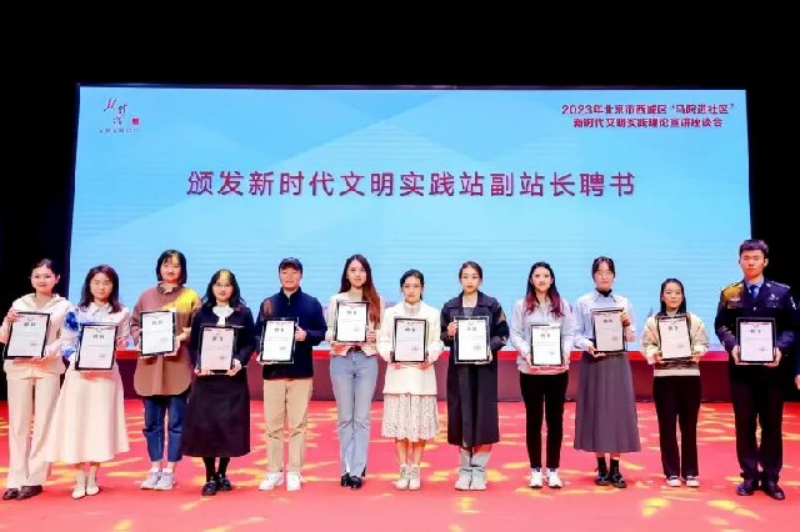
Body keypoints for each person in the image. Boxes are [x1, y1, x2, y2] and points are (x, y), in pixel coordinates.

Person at [714, 239, 795, 501]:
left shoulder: (781, 292)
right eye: (746, 258)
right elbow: (721, 326)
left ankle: (771, 477)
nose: (750, 262)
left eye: (756, 258)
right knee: (745, 424)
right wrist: (732, 345)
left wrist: (780, 348)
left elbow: (792, 327)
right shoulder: (730, 293)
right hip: (742, 373)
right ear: (739, 261)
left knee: (772, 425)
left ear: (765, 261)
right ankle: (749, 475)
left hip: (772, 371)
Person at [45, 264, 131, 499]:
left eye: (107, 283)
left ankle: (93, 475)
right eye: (97, 282)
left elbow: (123, 341)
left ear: (113, 286)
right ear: (89, 285)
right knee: (77, 423)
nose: (102, 287)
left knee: (99, 425)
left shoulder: (121, 313)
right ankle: (78, 478)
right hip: (79, 376)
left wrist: (119, 344)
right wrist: (81, 362)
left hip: (106, 376)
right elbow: (66, 343)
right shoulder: (75, 312)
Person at [0, 259, 73, 501]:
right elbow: (3, 337)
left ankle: (35, 479)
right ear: (31, 279)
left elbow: (67, 339)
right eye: (37, 276)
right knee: (18, 424)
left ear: (57, 279)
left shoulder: (65, 307)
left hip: (47, 367)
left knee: (44, 423)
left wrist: (46, 352)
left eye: (47, 276)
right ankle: (15, 479)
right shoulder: (19, 304)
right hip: (19, 366)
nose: (42, 280)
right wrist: (8, 322)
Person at [130, 249, 202, 491]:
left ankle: (170, 470)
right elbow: (134, 324)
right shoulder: (146, 296)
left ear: (183, 269)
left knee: (176, 423)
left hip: (177, 366)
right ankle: (154, 469)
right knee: (152, 423)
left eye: (176, 265)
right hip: (150, 367)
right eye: (166, 265)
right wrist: (140, 340)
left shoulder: (191, 296)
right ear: (159, 268)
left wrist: (180, 338)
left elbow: (198, 327)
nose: (170, 270)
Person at [181, 269, 255, 496]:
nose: (222, 289)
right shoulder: (201, 313)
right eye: (218, 284)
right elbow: (194, 345)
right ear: (212, 287)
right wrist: (198, 363)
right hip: (207, 381)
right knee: (207, 427)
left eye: (227, 285)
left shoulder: (243, 313)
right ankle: (210, 476)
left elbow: (249, 343)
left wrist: (239, 361)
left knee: (228, 427)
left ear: (234, 288)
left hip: (232, 380)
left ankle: (222, 472)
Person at [255, 258, 326, 492]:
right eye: (284, 272)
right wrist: (262, 350)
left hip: (300, 373)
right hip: (273, 373)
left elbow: (321, 332)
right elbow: (257, 335)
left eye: (293, 272)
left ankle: (295, 471)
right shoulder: (268, 304)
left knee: (298, 425)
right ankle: (274, 472)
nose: (289, 276)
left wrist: (307, 335)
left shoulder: (311, 303)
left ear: (301, 275)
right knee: (273, 426)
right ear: (279, 275)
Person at [440, 261, 509, 491]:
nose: (469, 281)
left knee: (483, 417)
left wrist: (490, 348)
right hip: (459, 371)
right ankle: (464, 470)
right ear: (459, 279)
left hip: (484, 369)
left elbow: (503, 334)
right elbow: (441, 336)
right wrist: (448, 333)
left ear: (481, 279)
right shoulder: (450, 307)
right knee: (462, 417)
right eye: (465, 277)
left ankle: (479, 470)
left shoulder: (491, 305)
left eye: (474, 277)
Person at [573, 256, 641, 489]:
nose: (604, 276)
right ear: (593, 275)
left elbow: (631, 336)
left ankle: (616, 467)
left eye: (608, 272)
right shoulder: (583, 302)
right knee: (597, 411)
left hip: (617, 361)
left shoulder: (623, 302)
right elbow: (576, 335)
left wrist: (626, 323)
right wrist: (588, 346)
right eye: (600, 272)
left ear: (614, 275)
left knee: (618, 412)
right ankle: (601, 466)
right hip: (594, 361)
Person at [509, 262, 575, 489]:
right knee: (534, 420)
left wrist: (564, 353)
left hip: (557, 372)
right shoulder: (521, 305)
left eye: (546, 275)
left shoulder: (562, 304)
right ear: (531, 280)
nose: (542, 279)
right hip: (531, 372)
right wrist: (527, 353)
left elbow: (569, 334)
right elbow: (515, 334)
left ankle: (553, 470)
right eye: (537, 276)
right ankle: (536, 470)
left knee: (555, 421)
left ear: (552, 279)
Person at [378, 269, 444, 491]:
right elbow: (383, 340)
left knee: (418, 428)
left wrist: (429, 355)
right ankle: (403, 469)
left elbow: (437, 342)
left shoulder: (432, 313)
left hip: (421, 376)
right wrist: (391, 355)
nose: (411, 290)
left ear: (422, 288)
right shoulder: (391, 313)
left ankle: (415, 468)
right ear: (401, 288)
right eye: (407, 286)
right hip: (397, 376)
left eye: (416, 286)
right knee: (400, 428)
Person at [640, 278, 709, 488]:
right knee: (667, 426)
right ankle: (671, 472)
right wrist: (654, 354)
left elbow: (702, 343)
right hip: (664, 379)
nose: (673, 296)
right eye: (669, 292)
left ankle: (690, 472)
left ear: (683, 296)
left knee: (689, 426)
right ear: (662, 296)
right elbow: (646, 345)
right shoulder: (653, 322)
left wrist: (698, 351)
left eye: (677, 292)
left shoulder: (693, 320)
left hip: (690, 377)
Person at [326, 254, 385, 490]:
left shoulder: (376, 300)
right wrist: (336, 336)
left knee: (361, 417)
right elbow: (329, 331)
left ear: (367, 274)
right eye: (353, 270)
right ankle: (346, 468)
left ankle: (357, 470)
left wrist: (375, 335)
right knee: (345, 417)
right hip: (341, 359)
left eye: (361, 270)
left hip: (366, 359)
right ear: (346, 274)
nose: (357, 274)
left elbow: (384, 333)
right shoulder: (336, 300)